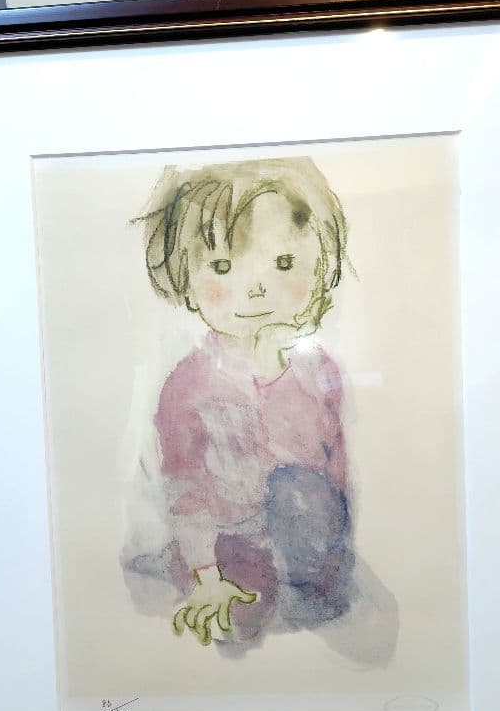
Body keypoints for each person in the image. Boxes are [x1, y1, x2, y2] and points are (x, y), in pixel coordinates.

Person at [125, 155, 397, 662]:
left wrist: (333, 551)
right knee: (237, 625)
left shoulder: (319, 370)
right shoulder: (188, 386)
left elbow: (335, 474)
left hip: (307, 534)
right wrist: (205, 574)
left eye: (284, 263)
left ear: (320, 266)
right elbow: (186, 491)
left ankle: (310, 589)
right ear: (185, 277)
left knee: (299, 494)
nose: (255, 288)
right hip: (227, 542)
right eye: (223, 267)